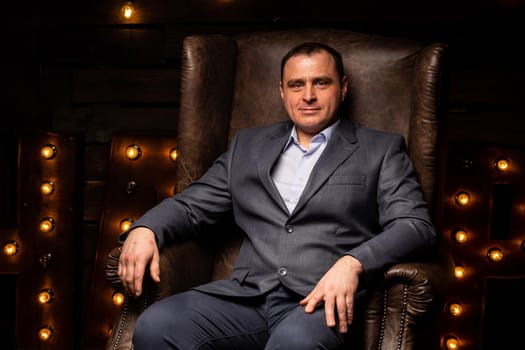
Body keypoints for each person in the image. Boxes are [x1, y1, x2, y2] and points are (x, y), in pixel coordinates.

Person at [118, 42, 437, 349]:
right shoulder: (249, 145)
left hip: (319, 303)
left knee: (293, 345)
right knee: (156, 325)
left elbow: (415, 225)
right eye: (297, 85)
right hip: (245, 296)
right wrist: (147, 229)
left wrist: (353, 262)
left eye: (321, 83)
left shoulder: (380, 149)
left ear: (342, 87)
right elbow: (191, 205)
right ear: (282, 92)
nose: (308, 96)